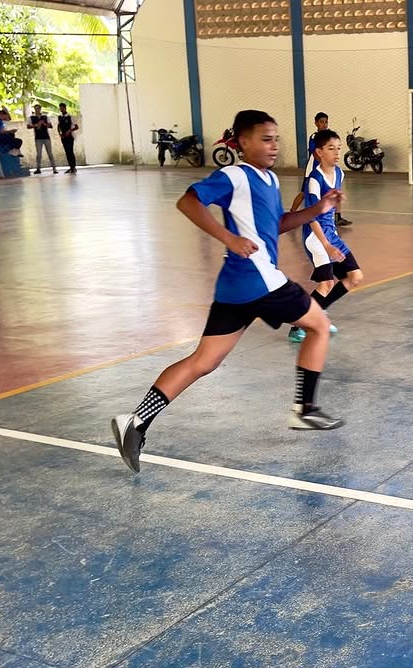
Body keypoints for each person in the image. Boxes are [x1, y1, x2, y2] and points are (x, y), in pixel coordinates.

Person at [111, 110, 346, 474]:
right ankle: (305, 408)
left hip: (236, 285)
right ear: (243, 142)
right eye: (265, 139)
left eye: (276, 139)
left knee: (203, 361)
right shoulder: (234, 175)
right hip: (260, 279)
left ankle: (136, 421)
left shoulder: (268, 179)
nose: (274, 146)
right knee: (318, 325)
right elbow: (188, 201)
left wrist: (319, 208)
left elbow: (277, 223)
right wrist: (229, 238)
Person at [288, 129, 364, 343]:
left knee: (354, 277)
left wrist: (337, 200)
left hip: (331, 234)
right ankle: (298, 326)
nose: (337, 152)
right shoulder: (314, 180)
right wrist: (327, 245)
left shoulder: (339, 173)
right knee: (326, 283)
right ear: (319, 152)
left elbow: (331, 204)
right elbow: (310, 216)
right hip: (316, 236)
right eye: (331, 148)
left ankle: (318, 314)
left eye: (339, 148)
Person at [27, 104, 57, 175]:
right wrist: (36, 125)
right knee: (39, 154)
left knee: (50, 153)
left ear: (40, 109)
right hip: (38, 138)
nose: (37, 110)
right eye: (36, 108)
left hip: (46, 137)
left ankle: (54, 168)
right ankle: (38, 168)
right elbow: (28, 126)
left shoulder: (45, 117)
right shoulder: (31, 117)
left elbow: (50, 126)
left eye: (38, 108)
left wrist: (44, 124)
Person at [57, 103, 79, 174]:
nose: (61, 109)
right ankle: (70, 167)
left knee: (70, 152)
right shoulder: (60, 117)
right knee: (67, 152)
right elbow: (59, 126)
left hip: (70, 137)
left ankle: (73, 167)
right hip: (63, 137)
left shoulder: (70, 116)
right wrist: (60, 134)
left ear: (65, 108)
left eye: (62, 108)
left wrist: (69, 131)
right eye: (60, 108)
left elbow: (76, 127)